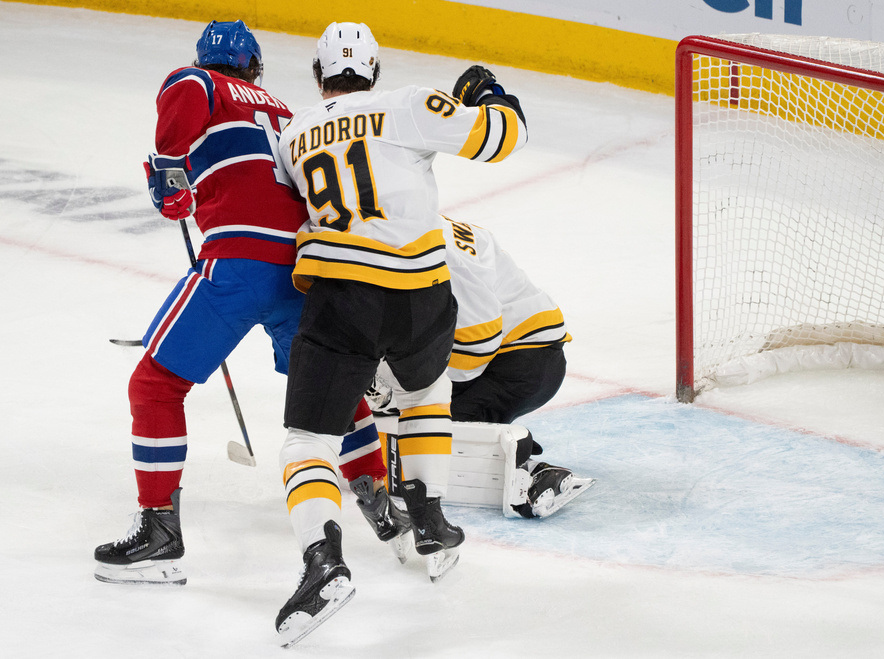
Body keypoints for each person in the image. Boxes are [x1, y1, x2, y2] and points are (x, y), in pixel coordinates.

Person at [92, 20, 387, 588]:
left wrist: (170, 182)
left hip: (238, 264)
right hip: (304, 269)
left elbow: (176, 141)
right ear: (254, 67)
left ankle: (159, 531)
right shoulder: (284, 111)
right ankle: (379, 498)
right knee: (329, 386)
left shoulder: (196, 81)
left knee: (154, 386)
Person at [272, 21, 529, 646]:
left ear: (317, 75)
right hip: (421, 296)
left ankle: (322, 562)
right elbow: (502, 139)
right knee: (425, 394)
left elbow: (283, 213)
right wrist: (490, 93)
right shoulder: (407, 103)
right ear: (375, 71)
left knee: (307, 441)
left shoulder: (293, 134)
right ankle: (432, 521)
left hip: (343, 295)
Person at [365, 216, 594, 519]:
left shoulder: (433, 252)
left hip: (525, 359)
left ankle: (528, 473)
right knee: (414, 418)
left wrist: (405, 392)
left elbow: (477, 343)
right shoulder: (413, 225)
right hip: (518, 353)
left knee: (425, 428)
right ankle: (495, 438)